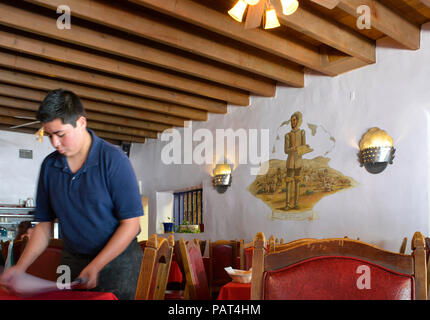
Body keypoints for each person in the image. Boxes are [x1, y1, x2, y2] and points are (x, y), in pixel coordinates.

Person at [0, 89, 143, 299]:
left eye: (60, 134)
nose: (55, 143)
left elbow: (132, 224)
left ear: (81, 122)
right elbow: (43, 226)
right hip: (72, 259)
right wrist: (20, 268)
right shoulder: (50, 166)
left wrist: (97, 264)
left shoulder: (113, 160)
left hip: (118, 261)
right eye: (49, 135)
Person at [284, 111, 309, 210]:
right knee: (288, 182)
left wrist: (305, 147)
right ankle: (287, 204)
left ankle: (296, 203)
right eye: (291, 120)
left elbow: (303, 147)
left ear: (297, 121)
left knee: (297, 182)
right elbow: (286, 150)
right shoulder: (287, 135)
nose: (292, 122)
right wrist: (292, 149)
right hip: (290, 161)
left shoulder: (302, 132)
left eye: (294, 120)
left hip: (298, 161)